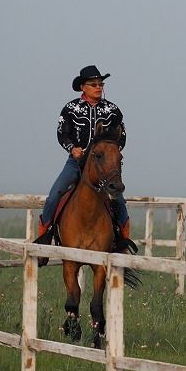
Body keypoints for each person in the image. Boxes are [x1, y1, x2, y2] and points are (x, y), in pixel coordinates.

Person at [36, 64, 131, 248]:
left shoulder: (113, 110)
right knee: (54, 195)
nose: (98, 87)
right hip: (76, 162)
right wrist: (72, 148)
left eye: (100, 84)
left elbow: (122, 136)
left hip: (103, 166)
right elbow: (61, 133)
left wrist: (111, 153)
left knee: (118, 198)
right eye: (94, 84)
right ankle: (44, 238)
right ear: (83, 87)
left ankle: (123, 241)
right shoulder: (71, 108)